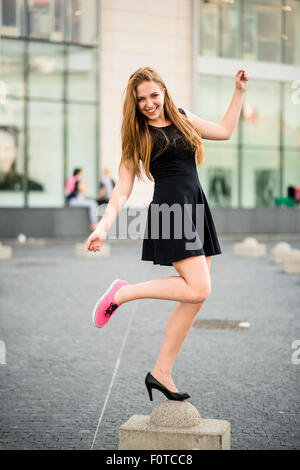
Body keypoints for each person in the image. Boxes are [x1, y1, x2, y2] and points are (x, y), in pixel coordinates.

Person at [86, 66, 249, 401]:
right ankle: (122, 293)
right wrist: (103, 226)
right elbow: (123, 187)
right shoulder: (138, 135)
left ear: (164, 92)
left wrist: (239, 91)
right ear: (135, 103)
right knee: (200, 287)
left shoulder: (183, 117)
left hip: (195, 206)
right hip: (170, 212)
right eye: (141, 99)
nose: (149, 103)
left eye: (154, 95)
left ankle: (161, 371)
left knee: (195, 298)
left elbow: (224, 130)